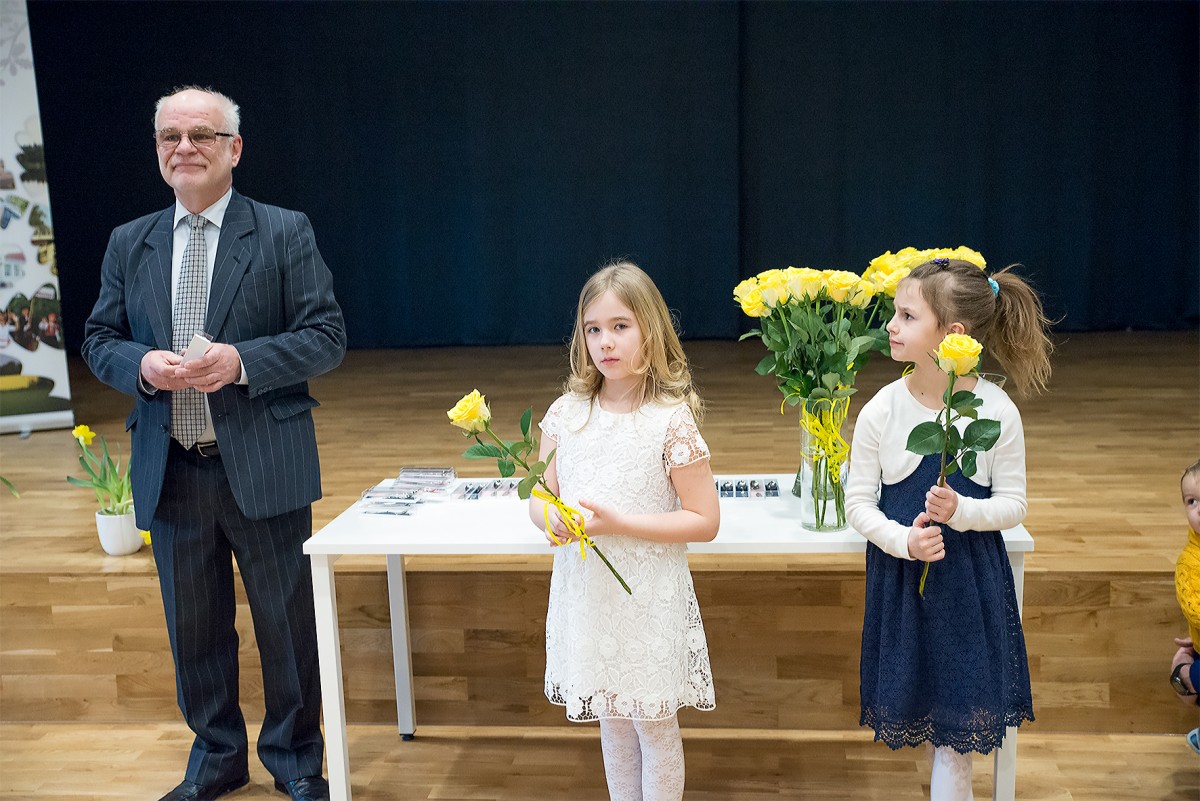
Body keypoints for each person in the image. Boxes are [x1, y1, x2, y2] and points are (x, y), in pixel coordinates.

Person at [82, 87, 345, 801]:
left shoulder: (284, 231)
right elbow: (99, 338)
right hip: (171, 466)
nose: (184, 147)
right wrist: (142, 364)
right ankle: (216, 756)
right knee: (194, 632)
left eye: (201, 133)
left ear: (235, 148)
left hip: (262, 461)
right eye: (170, 136)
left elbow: (327, 336)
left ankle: (296, 759)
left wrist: (243, 361)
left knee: (286, 627)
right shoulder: (130, 241)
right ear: (157, 151)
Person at [845, 259, 1053, 801]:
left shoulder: (996, 412)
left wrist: (961, 511)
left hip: (967, 593)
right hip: (905, 592)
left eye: (907, 316)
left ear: (952, 333)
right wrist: (905, 542)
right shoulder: (881, 411)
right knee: (930, 723)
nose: (891, 325)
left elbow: (1014, 505)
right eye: (895, 313)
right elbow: (858, 505)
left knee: (955, 746)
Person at [528, 261, 719, 801]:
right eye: (593, 329)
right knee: (612, 718)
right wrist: (551, 519)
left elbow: (704, 519)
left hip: (648, 595)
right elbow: (539, 494)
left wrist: (620, 525)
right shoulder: (567, 414)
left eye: (620, 326)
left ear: (650, 331)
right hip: (590, 595)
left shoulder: (670, 418)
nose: (605, 342)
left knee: (653, 724)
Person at [1171, 458, 1200, 754]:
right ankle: (1187, 675)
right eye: (1192, 501)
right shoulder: (1190, 562)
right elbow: (1194, 609)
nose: (1199, 509)